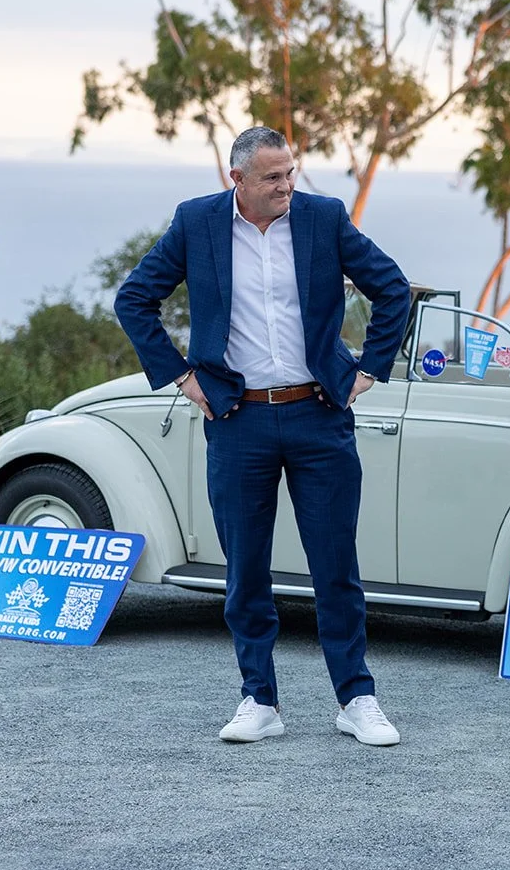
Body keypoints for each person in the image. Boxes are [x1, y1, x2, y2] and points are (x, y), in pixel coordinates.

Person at [115, 126, 412, 745]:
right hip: (237, 419)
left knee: (336, 565)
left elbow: (391, 290)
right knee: (245, 567)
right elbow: (134, 299)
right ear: (237, 181)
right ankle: (259, 700)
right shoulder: (195, 224)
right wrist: (181, 378)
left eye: (290, 172)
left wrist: (367, 371)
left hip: (319, 414)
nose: (286, 186)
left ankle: (356, 698)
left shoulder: (323, 219)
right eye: (272, 177)